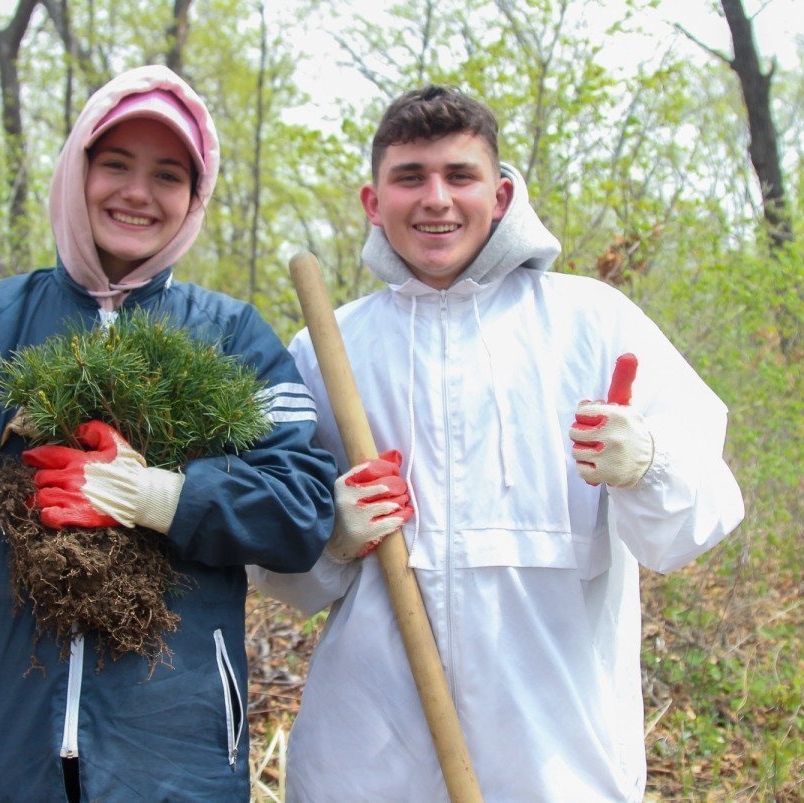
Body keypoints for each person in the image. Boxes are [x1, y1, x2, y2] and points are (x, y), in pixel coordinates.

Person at [0, 65, 337, 801]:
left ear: (194, 197)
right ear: (75, 170)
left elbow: (301, 510)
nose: (136, 192)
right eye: (114, 163)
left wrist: (156, 495)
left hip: (172, 753)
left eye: (167, 175)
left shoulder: (232, 335)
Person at [249, 85, 745, 801]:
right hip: (369, 754)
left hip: (559, 754)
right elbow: (282, 574)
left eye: (460, 176)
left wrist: (650, 463)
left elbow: (695, 523)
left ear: (503, 194)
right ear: (372, 200)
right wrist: (329, 534)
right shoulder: (329, 348)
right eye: (410, 177)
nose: (436, 200)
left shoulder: (595, 324)